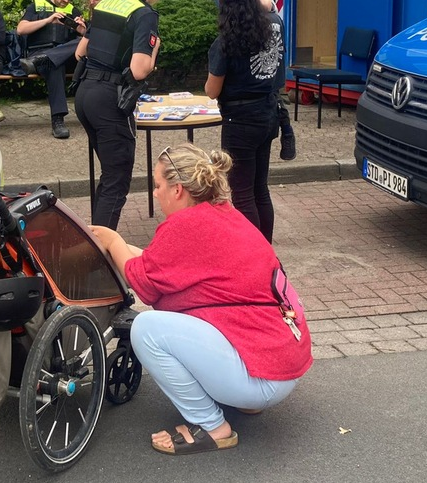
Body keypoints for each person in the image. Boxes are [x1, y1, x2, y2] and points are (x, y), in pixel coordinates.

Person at [91, 144, 312, 455]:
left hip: (262, 377)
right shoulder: (223, 214)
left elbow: (144, 285)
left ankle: (212, 426)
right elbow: (156, 266)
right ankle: (246, 398)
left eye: (158, 185)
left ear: (178, 190)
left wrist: (113, 240)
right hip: (281, 365)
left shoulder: (185, 226)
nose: (155, 193)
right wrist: (122, 249)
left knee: (146, 329)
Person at [74, 0, 168, 229]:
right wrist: (155, 50)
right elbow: (139, 70)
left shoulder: (107, 3)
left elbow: (81, 51)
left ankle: (95, 238)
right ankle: (102, 250)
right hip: (110, 100)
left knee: (109, 175)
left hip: (85, 95)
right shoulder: (144, 14)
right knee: (116, 181)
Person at [205, 0, 283, 243]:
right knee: (261, 189)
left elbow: (212, 90)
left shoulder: (226, 39)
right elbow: (270, 9)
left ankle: (253, 254)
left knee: (242, 194)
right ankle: (266, 250)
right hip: (268, 113)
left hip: (239, 121)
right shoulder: (273, 24)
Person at [15, 0, 88, 139]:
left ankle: (47, 58)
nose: (66, 0)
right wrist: (48, 20)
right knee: (55, 65)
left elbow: (85, 42)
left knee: (82, 41)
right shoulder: (36, 5)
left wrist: (83, 31)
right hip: (39, 52)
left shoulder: (73, 11)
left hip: (64, 56)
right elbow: (21, 29)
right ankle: (58, 120)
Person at [243, 0, 294, 162]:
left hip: (270, 69)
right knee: (276, 100)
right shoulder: (264, 4)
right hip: (269, 70)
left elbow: (266, 5)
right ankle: (286, 127)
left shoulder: (266, 3)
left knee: (276, 99)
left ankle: (286, 128)